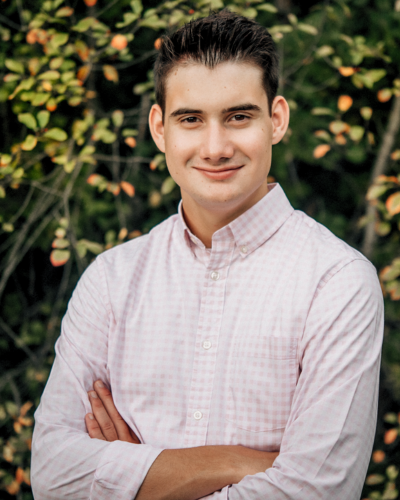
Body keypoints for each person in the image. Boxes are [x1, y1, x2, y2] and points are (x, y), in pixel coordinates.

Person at [31, 10, 384, 500]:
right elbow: (52, 475)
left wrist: (134, 475)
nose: (215, 147)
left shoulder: (338, 281)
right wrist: (235, 463)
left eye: (238, 117)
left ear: (276, 119)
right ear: (160, 129)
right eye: (191, 119)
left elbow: (313, 492)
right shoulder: (112, 280)